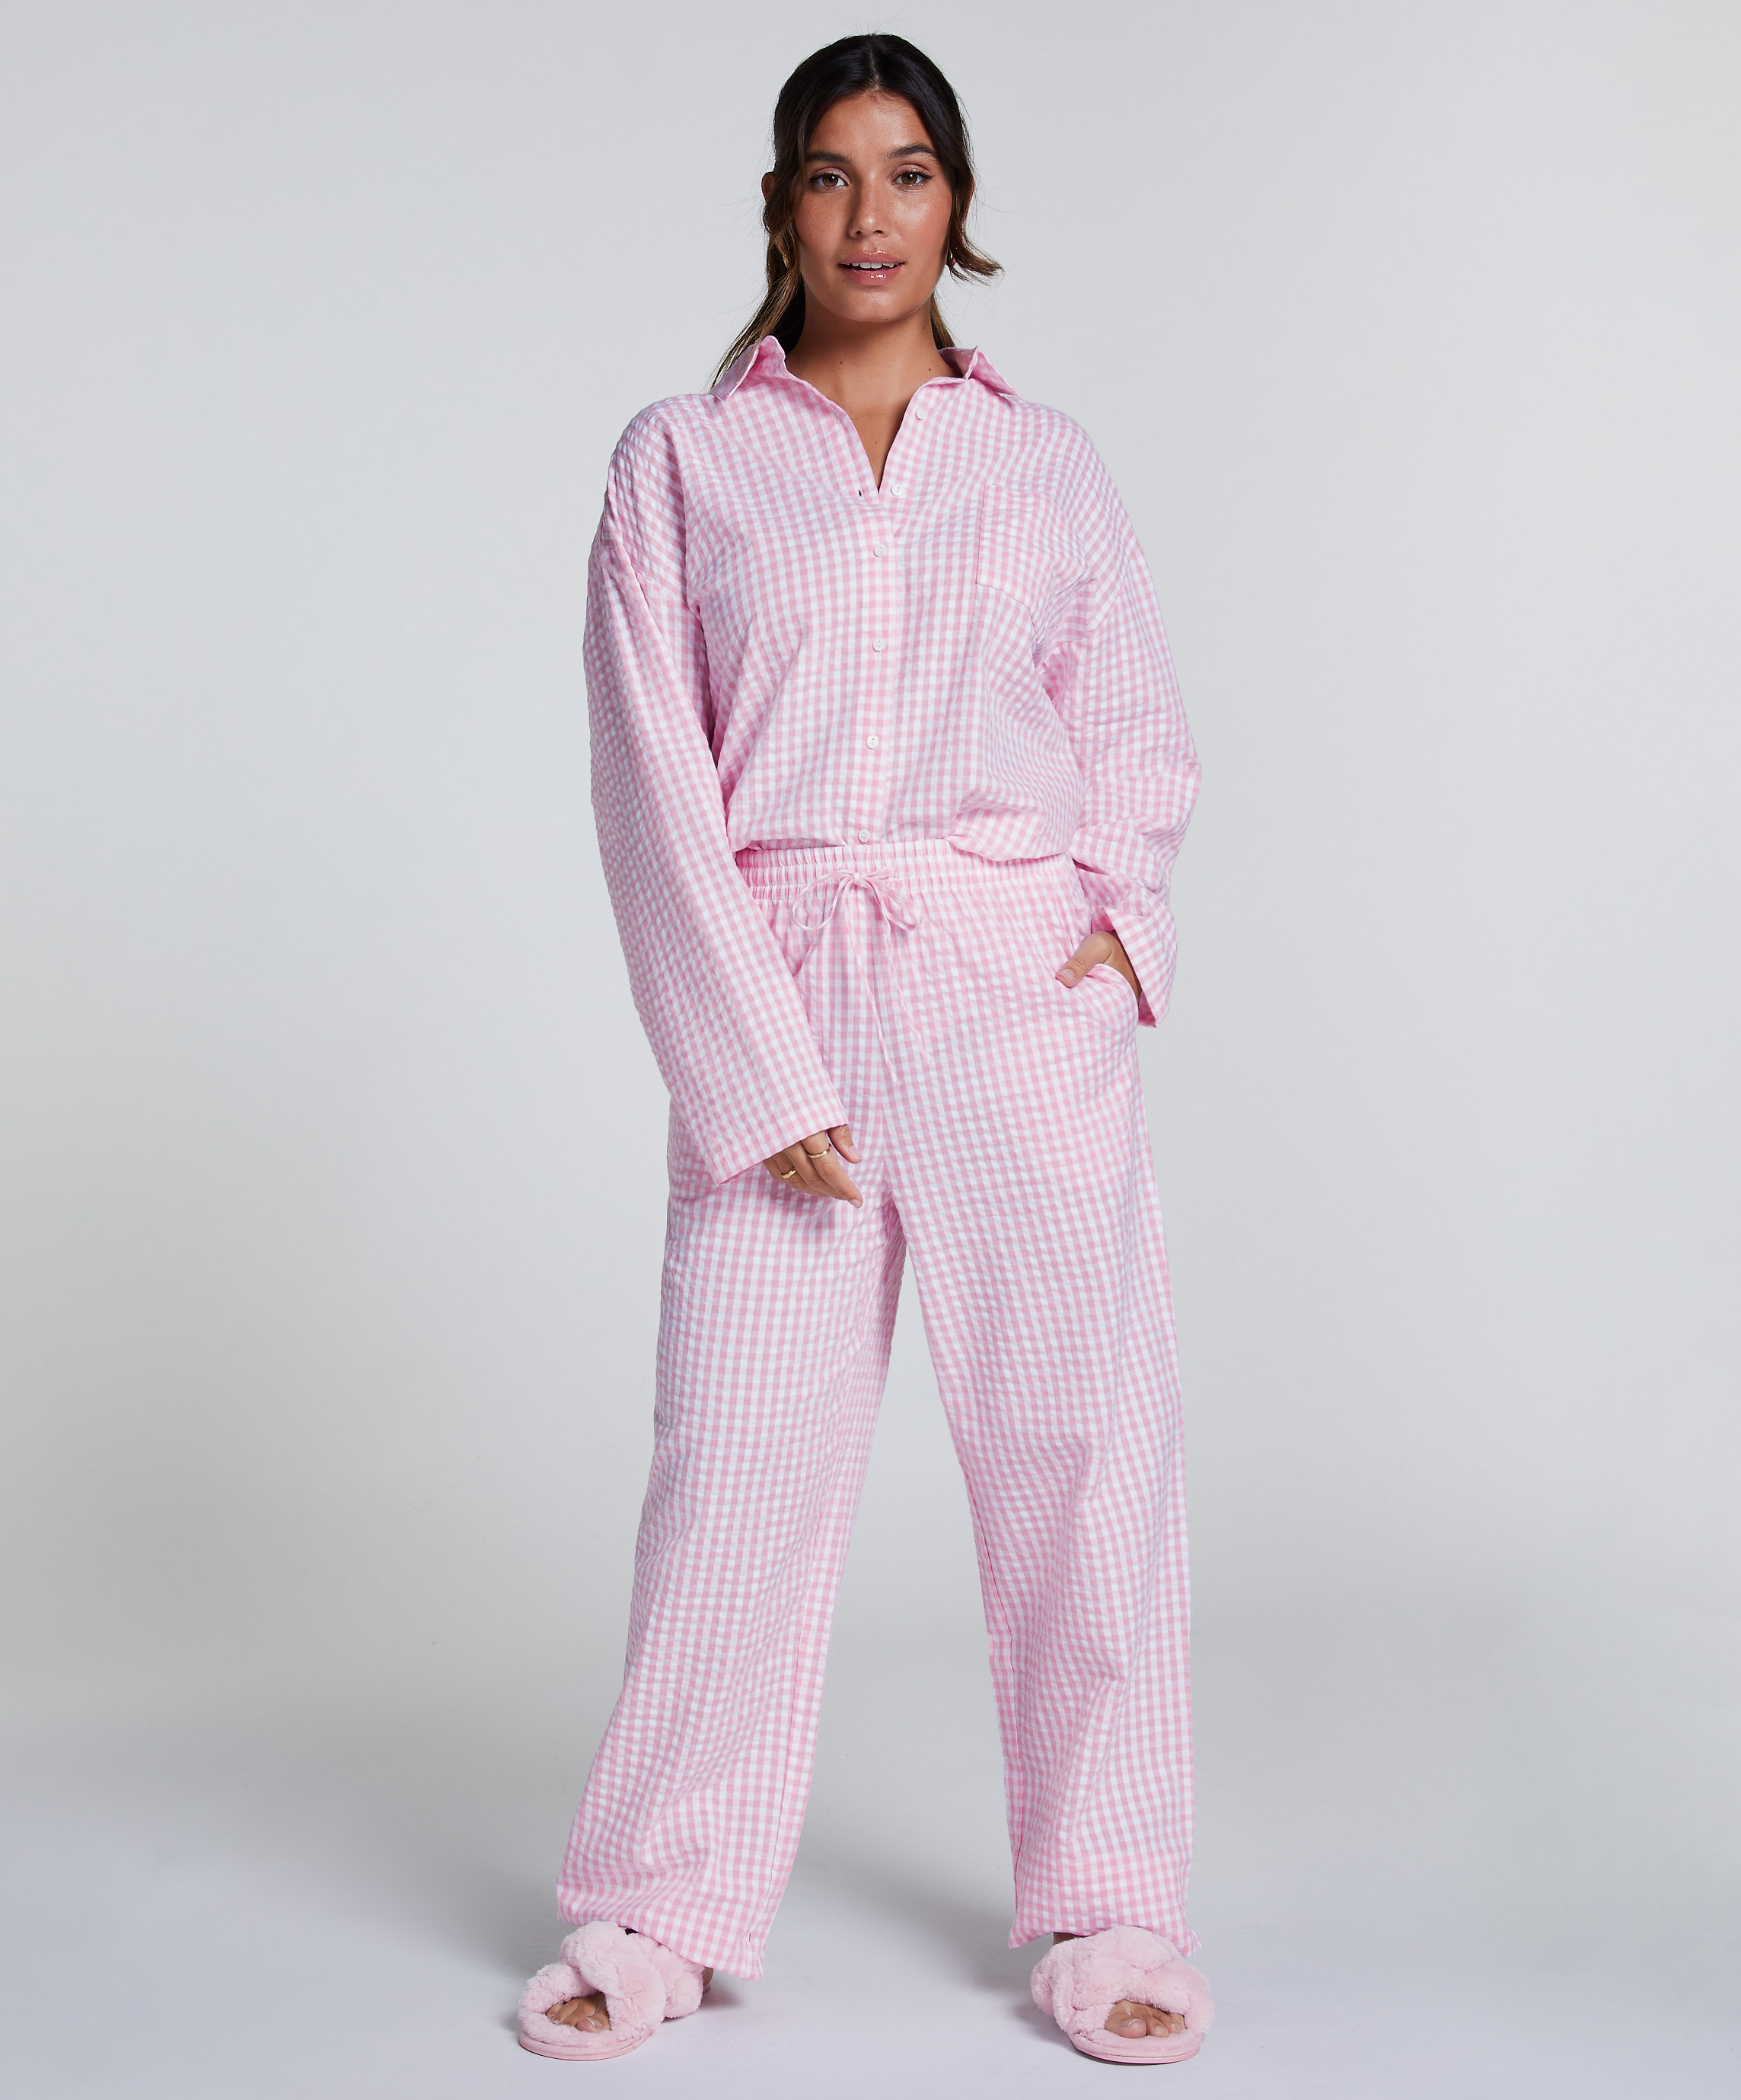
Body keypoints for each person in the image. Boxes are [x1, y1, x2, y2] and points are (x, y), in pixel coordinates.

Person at [517, 33, 1214, 2069]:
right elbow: (650, 780)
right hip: (786, 980)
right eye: (830, 175)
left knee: (1082, 1463)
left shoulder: (1044, 462)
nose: (871, 214)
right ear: (777, 206)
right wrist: (757, 1072)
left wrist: (1113, 937)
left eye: (908, 173)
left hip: (1013, 999)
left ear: (955, 202)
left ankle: (1111, 1900)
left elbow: (1133, 722)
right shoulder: (682, 461)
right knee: (733, 1474)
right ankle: (657, 1909)